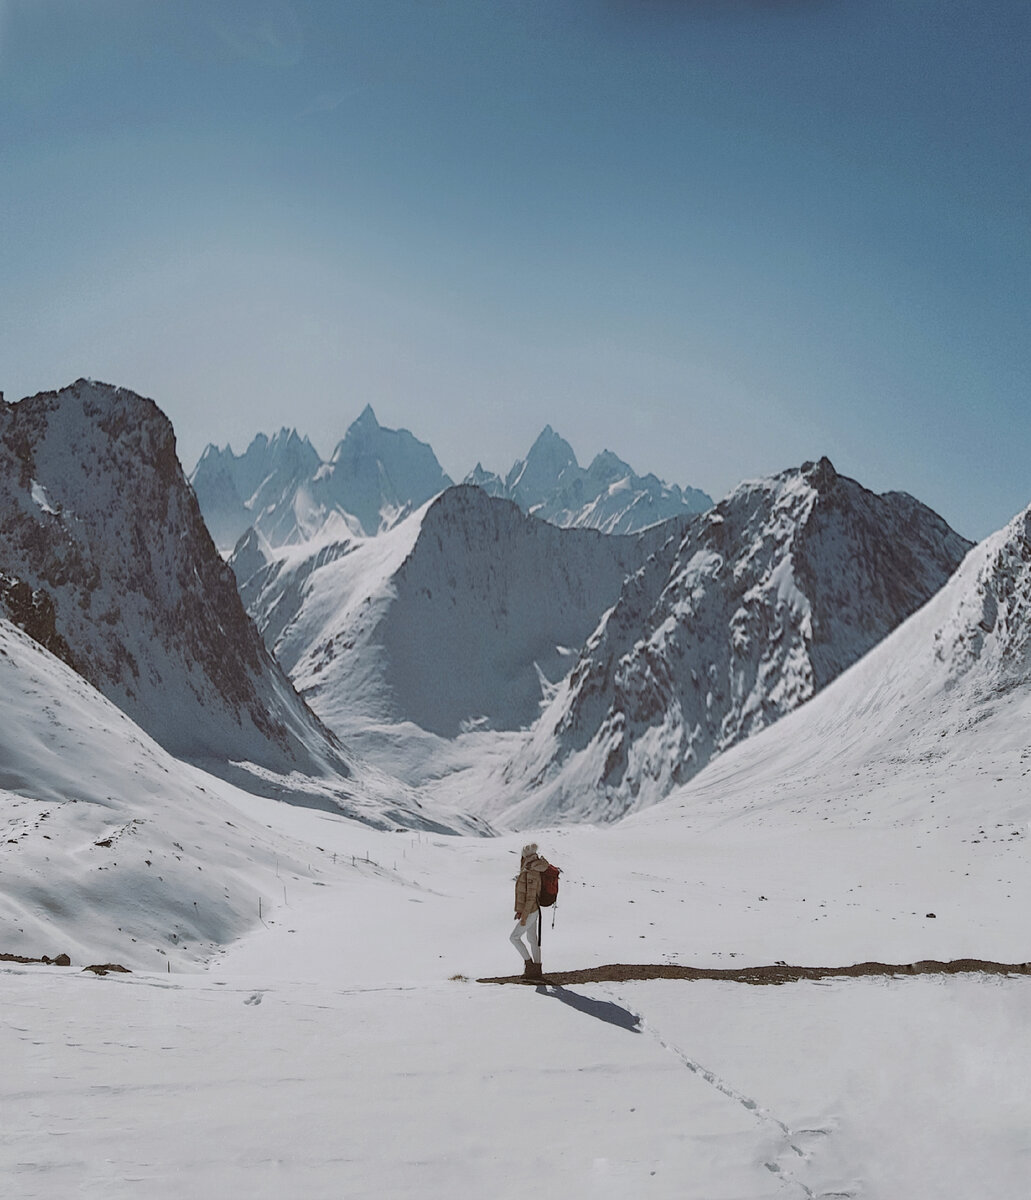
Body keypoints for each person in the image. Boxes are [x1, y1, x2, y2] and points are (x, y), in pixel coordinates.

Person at [510, 842, 550, 978]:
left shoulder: (532, 870)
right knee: (532, 939)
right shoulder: (530, 867)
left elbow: (531, 896)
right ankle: (537, 970)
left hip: (531, 910)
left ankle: (530, 966)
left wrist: (525, 915)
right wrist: (520, 910)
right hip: (532, 910)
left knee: (514, 937)